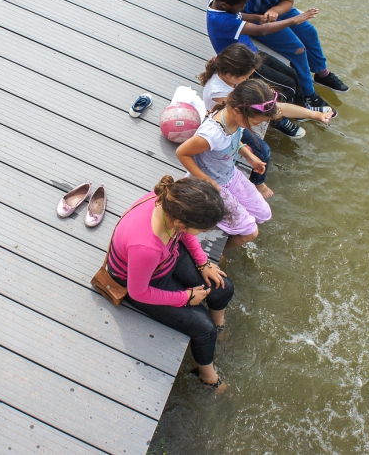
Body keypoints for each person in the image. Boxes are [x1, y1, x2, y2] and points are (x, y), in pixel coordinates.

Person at [107, 175, 232, 389]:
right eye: (202, 230)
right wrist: (185, 297)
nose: (204, 233)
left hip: (166, 256)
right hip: (145, 280)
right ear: (180, 222)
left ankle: (219, 325)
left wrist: (203, 263)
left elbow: (182, 234)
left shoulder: (169, 202)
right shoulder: (146, 247)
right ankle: (208, 378)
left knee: (223, 287)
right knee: (204, 328)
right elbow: (138, 292)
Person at [199, 44, 335, 199]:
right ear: (230, 75)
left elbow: (278, 107)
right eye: (245, 78)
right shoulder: (221, 93)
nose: (247, 80)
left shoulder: (228, 79)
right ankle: (258, 183)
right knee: (263, 150)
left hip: (233, 119)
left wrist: (313, 114)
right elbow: (278, 108)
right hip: (227, 125)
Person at [207, 0, 336, 121]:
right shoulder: (221, 21)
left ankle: (302, 110)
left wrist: (256, 17)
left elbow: (238, 15)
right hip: (243, 64)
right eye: (242, 5)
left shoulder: (217, 1)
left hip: (250, 52)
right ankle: (278, 118)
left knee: (292, 74)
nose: (244, 7)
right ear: (225, 5)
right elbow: (260, 31)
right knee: (286, 87)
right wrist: (294, 20)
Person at [176, 80, 280, 249]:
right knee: (251, 232)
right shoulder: (212, 133)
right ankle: (221, 250)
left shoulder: (236, 120)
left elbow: (234, 142)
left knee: (264, 213)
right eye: (254, 122)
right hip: (211, 185)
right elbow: (182, 152)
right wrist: (207, 181)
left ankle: (231, 226)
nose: (257, 126)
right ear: (238, 110)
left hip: (229, 176)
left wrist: (249, 156)